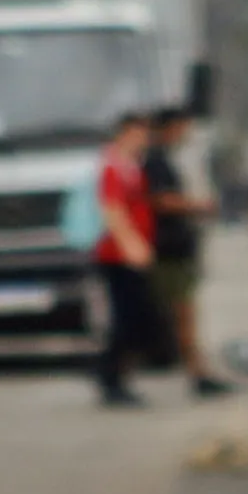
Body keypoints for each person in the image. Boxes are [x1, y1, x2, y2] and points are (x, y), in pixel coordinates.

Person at [143, 106, 231, 397]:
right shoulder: (155, 160)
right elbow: (160, 200)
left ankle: (197, 370)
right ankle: (196, 373)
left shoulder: (167, 158)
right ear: (170, 128)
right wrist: (197, 206)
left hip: (176, 246)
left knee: (180, 312)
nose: (186, 134)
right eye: (183, 128)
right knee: (180, 313)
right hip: (168, 248)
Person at [93, 111, 160, 408]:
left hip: (132, 251)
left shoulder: (131, 166)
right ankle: (110, 375)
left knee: (133, 317)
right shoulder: (113, 166)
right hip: (118, 256)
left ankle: (115, 374)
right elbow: (113, 210)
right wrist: (133, 246)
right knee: (126, 318)